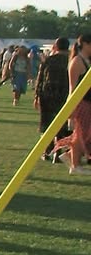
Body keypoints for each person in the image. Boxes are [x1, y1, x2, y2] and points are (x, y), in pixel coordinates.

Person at [34, 36, 69, 161]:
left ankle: (47, 151)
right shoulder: (71, 60)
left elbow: (40, 79)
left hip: (47, 95)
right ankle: (57, 152)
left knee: (47, 124)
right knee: (62, 125)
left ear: (56, 46)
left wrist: (36, 96)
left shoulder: (49, 60)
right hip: (65, 95)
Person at [67, 32, 91, 174]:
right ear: (86, 44)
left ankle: (70, 156)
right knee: (81, 135)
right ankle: (74, 165)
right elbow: (72, 87)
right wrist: (71, 109)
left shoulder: (87, 60)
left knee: (83, 134)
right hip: (82, 104)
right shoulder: (77, 62)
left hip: (88, 103)